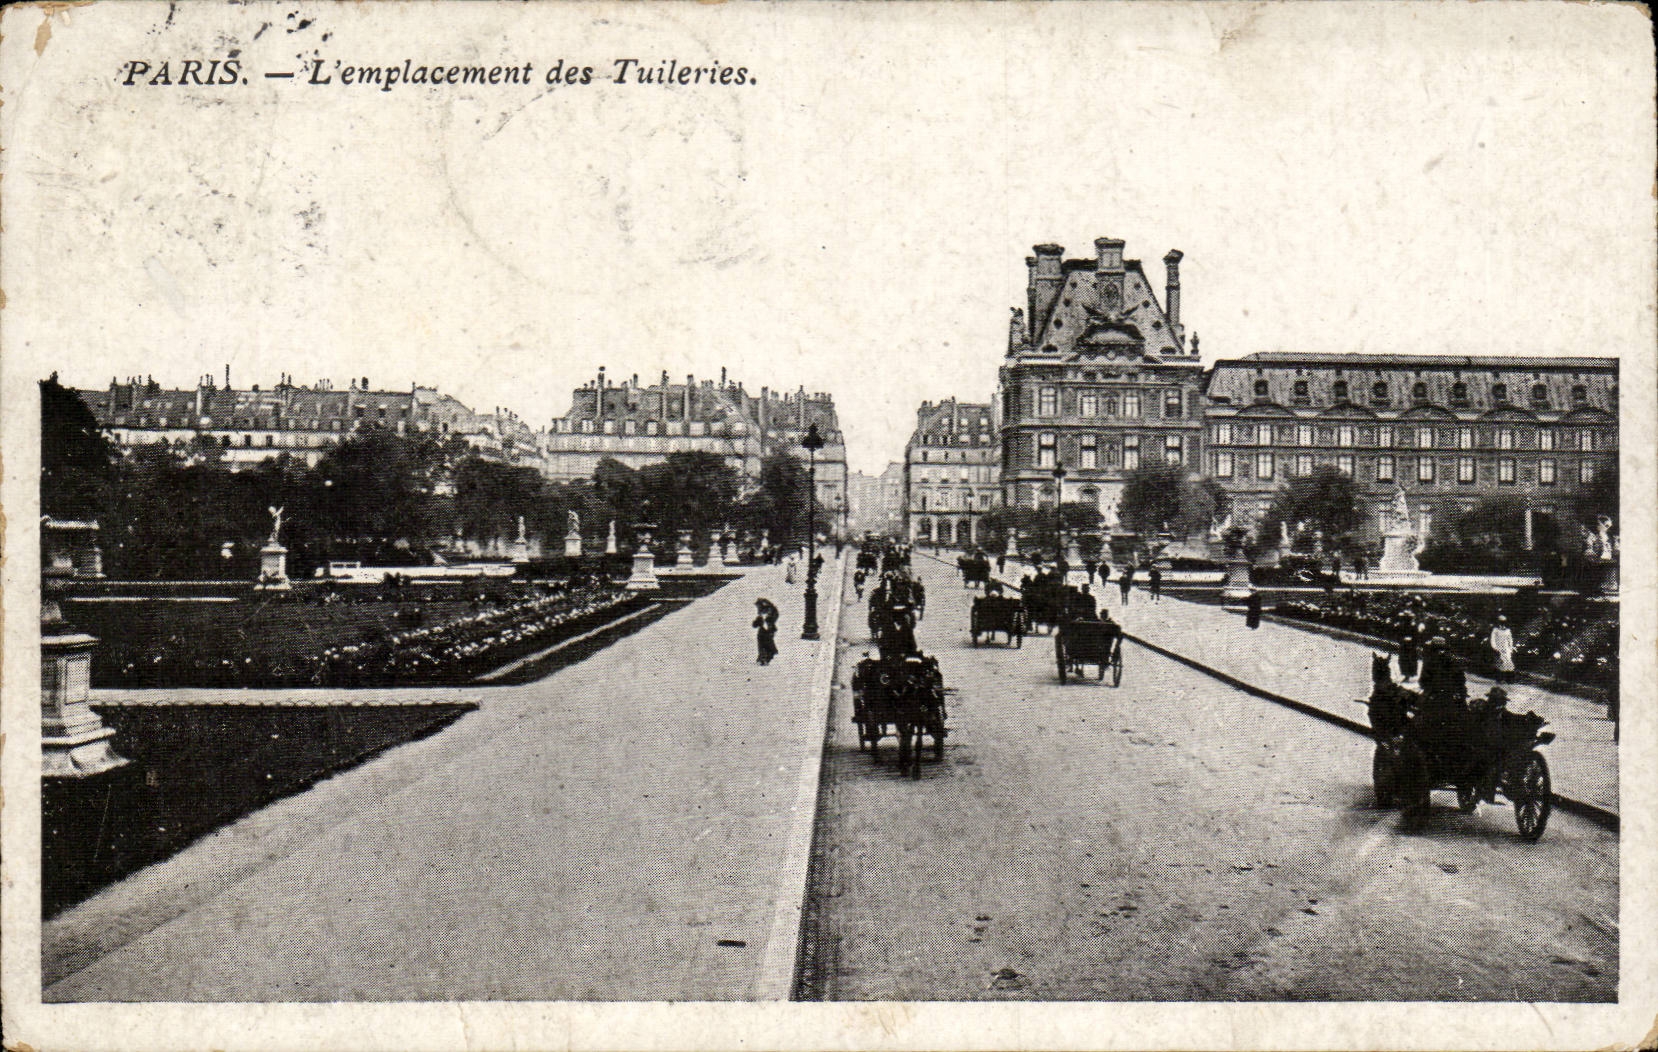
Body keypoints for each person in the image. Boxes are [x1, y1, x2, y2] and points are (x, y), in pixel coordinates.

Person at [1489, 614, 1515, 684]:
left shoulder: (1508, 630)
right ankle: (1500, 679)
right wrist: (1495, 648)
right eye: (1501, 621)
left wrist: (1510, 648)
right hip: (1498, 648)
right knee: (1500, 663)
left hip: (1506, 649)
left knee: (1508, 662)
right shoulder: (1495, 630)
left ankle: (1509, 679)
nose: (1502, 623)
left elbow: (1510, 640)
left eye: (1503, 622)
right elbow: (1493, 640)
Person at [752, 598, 780, 665]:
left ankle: (766, 658)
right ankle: (762, 658)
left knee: (767, 645)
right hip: (762, 632)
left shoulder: (771, 615)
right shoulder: (761, 616)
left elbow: (774, 615)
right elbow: (755, 625)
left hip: (768, 632)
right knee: (762, 645)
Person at [1396, 616, 1420, 682]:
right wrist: (1403, 640)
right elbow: (1398, 636)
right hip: (1404, 647)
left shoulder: (1413, 627)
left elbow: (1417, 637)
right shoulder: (1402, 627)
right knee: (1404, 661)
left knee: (1410, 661)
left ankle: (1408, 676)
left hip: (1411, 647)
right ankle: (1406, 675)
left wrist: (1411, 640)